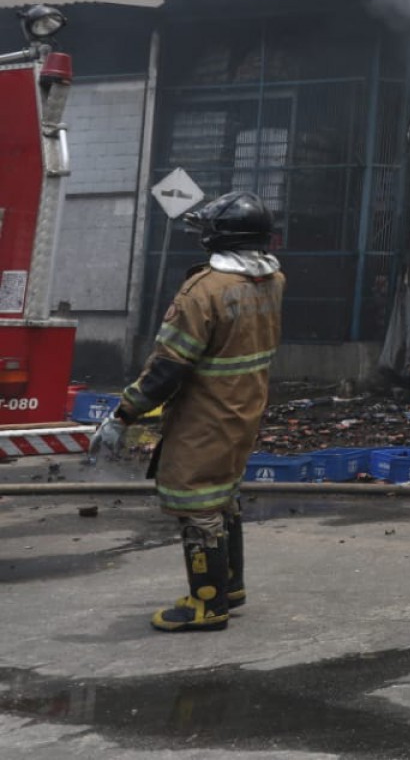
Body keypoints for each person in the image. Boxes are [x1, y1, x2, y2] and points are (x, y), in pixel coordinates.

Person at [89, 191, 283, 633]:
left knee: (195, 501)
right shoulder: (273, 280)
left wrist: (123, 416)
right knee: (223, 493)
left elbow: (168, 368)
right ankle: (230, 585)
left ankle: (207, 604)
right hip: (245, 408)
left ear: (222, 236)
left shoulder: (203, 292)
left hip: (205, 414)